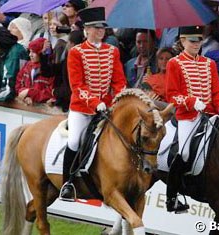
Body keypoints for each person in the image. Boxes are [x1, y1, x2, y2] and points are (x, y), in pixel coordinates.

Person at [59, 7, 126, 201]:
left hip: (106, 108)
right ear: (87, 30)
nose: (100, 32)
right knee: (75, 141)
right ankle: (68, 183)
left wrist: (119, 97)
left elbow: (119, 81)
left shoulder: (112, 51)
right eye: (96, 28)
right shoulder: (77, 52)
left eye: (102, 28)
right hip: (82, 108)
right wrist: (95, 102)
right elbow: (77, 86)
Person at [165, 26, 219, 213]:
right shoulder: (174, 63)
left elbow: (217, 92)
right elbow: (172, 95)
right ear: (183, 41)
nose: (196, 44)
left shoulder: (209, 63)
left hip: (210, 116)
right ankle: (172, 198)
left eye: (199, 41)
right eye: (192, 41)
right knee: (184, 153)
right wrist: (192, 102)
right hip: (188, 117)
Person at [15, 38, 55, 105]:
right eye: (30, 51)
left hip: (42, 106)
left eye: (33, 52)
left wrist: (30, 93)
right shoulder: (27, 65)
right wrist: (26, 96)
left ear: (41, 53)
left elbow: (50, 92)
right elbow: (18, 84)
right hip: (26, 102)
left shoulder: (50, 69)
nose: (30, 55)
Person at [0, 26, 28, 101]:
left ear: (2, 42)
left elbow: (9, 91)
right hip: (3, 91)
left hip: (16, 93)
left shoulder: (15, 53)